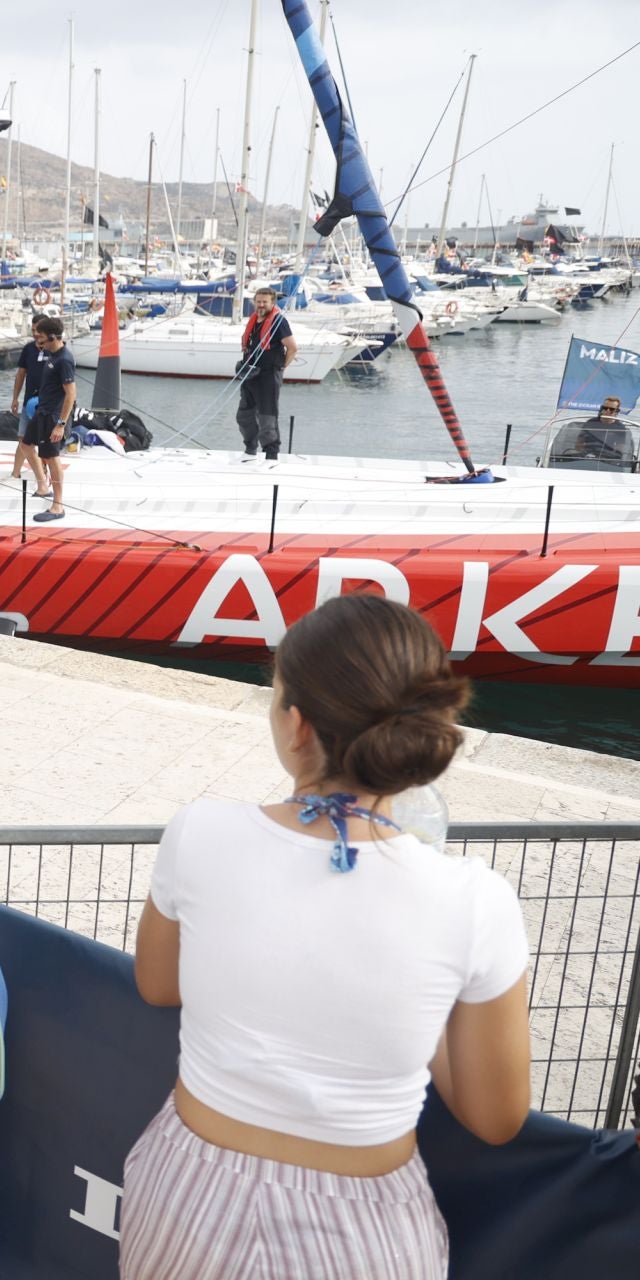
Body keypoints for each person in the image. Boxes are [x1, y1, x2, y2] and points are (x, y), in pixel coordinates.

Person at [124, 594, 531, 1280]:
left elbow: (157, 983)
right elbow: (496, 1118)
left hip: (185, 1196)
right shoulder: (473, 900)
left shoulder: (200, 832)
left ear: (297, 724)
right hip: (363, 1226)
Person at [236, 286, 296, 459]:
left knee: (266, 417)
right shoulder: (254, 320)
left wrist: (280, 368)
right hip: (250, 375)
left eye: (265, 302)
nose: (261, 305)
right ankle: (250, 449)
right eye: (259, 302)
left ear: (272, 303)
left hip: (268, 376)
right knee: (244, 415)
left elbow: (292, 348)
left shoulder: (279, 322)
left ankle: (271, 453)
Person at [26, 317, 76, 522]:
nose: (40, 343)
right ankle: (43, 486)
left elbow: (71, 394)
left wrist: (61, 425)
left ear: (54, 338)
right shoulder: (51, 354)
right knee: (26, 445)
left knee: (52, 457)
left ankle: (58, 505)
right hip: (42, 411)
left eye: (43, 339)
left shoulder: (64, 359)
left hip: (53, 417)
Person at [8, 316, 54, 493]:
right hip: (29, 403)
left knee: (44, 443)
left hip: (47, 406)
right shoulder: (28, 349)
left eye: (38, 330)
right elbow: (20, 374)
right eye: (33, 330)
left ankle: (43, 475)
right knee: (23, 438)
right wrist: (15, 398)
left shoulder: (54, 350)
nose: (35, 333)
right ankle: (15, 472)